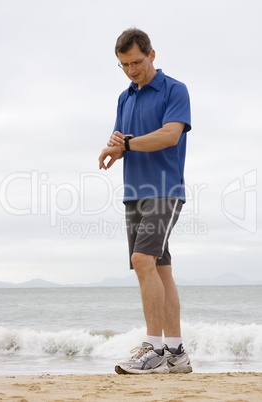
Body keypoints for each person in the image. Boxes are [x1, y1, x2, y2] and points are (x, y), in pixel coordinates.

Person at [98, 28, 192, 375]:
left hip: (165, 190)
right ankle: (177, 353)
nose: (131, 70)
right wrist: (114, 148)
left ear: (152, 55)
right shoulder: (125, 97)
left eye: (136, 62)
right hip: (133, 193)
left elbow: (169, 136)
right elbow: (126, 139)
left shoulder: (174, 90)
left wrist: (126, 145)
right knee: (158, 269)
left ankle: (152, 349)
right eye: (124, 65)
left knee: (141, 260)